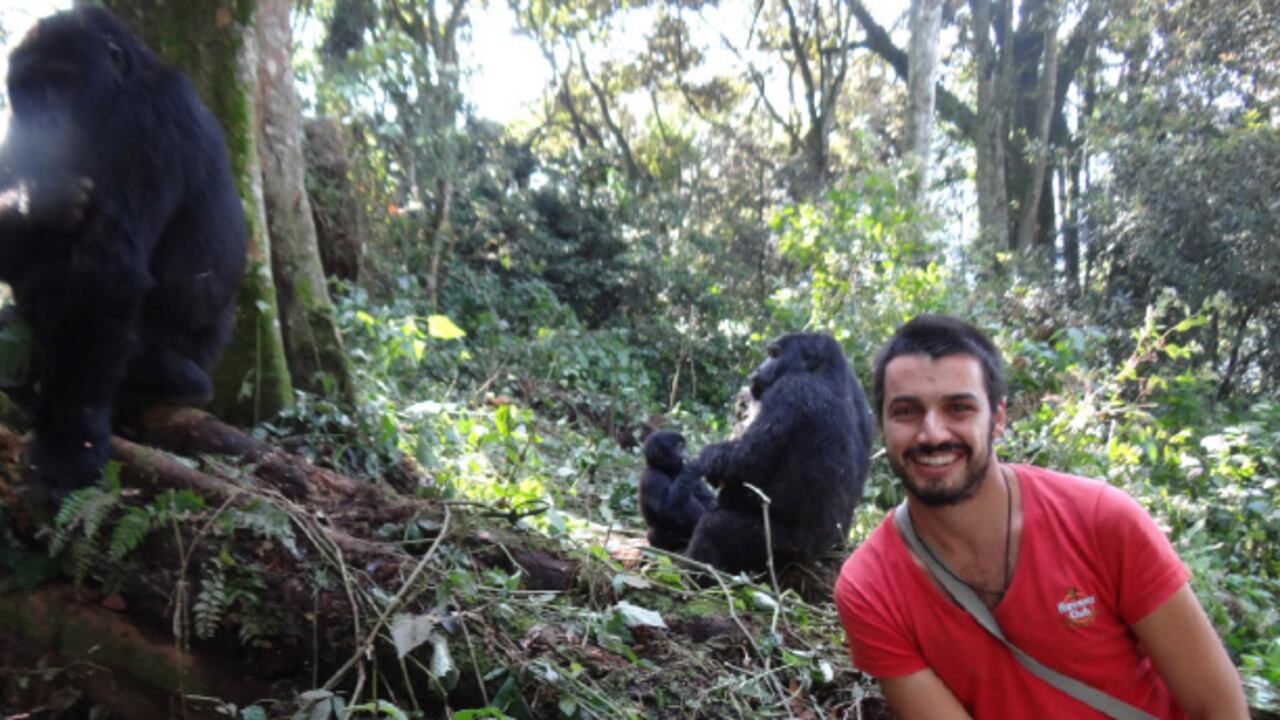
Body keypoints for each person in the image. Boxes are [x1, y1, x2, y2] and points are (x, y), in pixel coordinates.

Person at [833, 314, 1248, 719]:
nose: (932, 433)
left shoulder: (1101, 521)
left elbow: (1217, 706)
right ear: (882, 426)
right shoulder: (870, 589)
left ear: (997, 419)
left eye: (958, 408)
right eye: (907, 411)